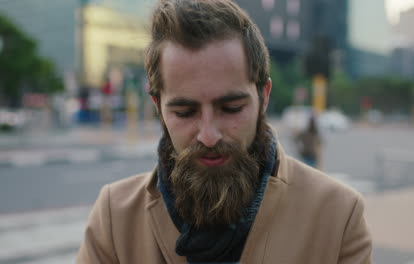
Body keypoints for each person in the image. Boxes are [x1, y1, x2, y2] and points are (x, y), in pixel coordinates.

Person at [76, 0, 372, 263]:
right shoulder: (115, 216)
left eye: (230, 108)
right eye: (184, 112)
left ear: (263, 96)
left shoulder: (338, 215)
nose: (208, 135)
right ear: (157, 106)